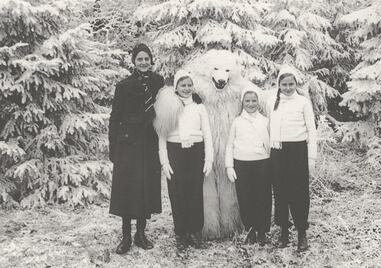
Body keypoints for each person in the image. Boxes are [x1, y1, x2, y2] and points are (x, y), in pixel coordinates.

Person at [108, 43, 165, 254]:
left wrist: (193, 99)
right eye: (139, 59)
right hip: (127, 143)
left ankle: (141, 233)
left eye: (146, 59)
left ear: (151, 61)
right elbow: (115, 116)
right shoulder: (123, 86)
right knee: (126, 188)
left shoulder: (159, 82)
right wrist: (113, 145)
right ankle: (125, 236)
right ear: (133, 62)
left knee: (144, 187)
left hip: (149, 143)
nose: (143, 62)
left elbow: (172, 100)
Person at [153, 70, 213, 250]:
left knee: (195, 192)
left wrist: (208, 159)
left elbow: (207, 134)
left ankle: (195, 231)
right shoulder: (168, 107)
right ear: (176, 87)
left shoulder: (199, 107)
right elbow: (162, 136)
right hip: (175, 152)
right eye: (182, 85)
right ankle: (181, 233)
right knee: (177, 193)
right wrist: (165, 162)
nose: (186, 89)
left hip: (195, 152)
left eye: (189, 85)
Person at [266, 66, 317, 252]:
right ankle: (284, 231)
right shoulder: (272, 101)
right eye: (284, 84)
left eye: (291, 84)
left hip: (297, 151)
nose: (287, 88)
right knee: (280, 192)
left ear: (296, 83)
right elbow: (268, 126)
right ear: (278, 84)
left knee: (299, 192)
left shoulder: (303, 102)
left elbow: (312, 130)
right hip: (278, 151)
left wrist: (311, 157)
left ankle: (302, 231)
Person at [225, 88, 272, 246]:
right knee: (245, 197)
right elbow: (230, 144)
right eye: (247, 101)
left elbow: (270, 144)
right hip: (242, 164)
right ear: (242, 103)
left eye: (254, 101)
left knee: (262, 197)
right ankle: (250, 228)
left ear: (258, 102)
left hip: (262, 163)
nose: (251, 104)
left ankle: (262, 230)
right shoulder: (237, 122)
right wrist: (229, 166)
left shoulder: (265, 121)